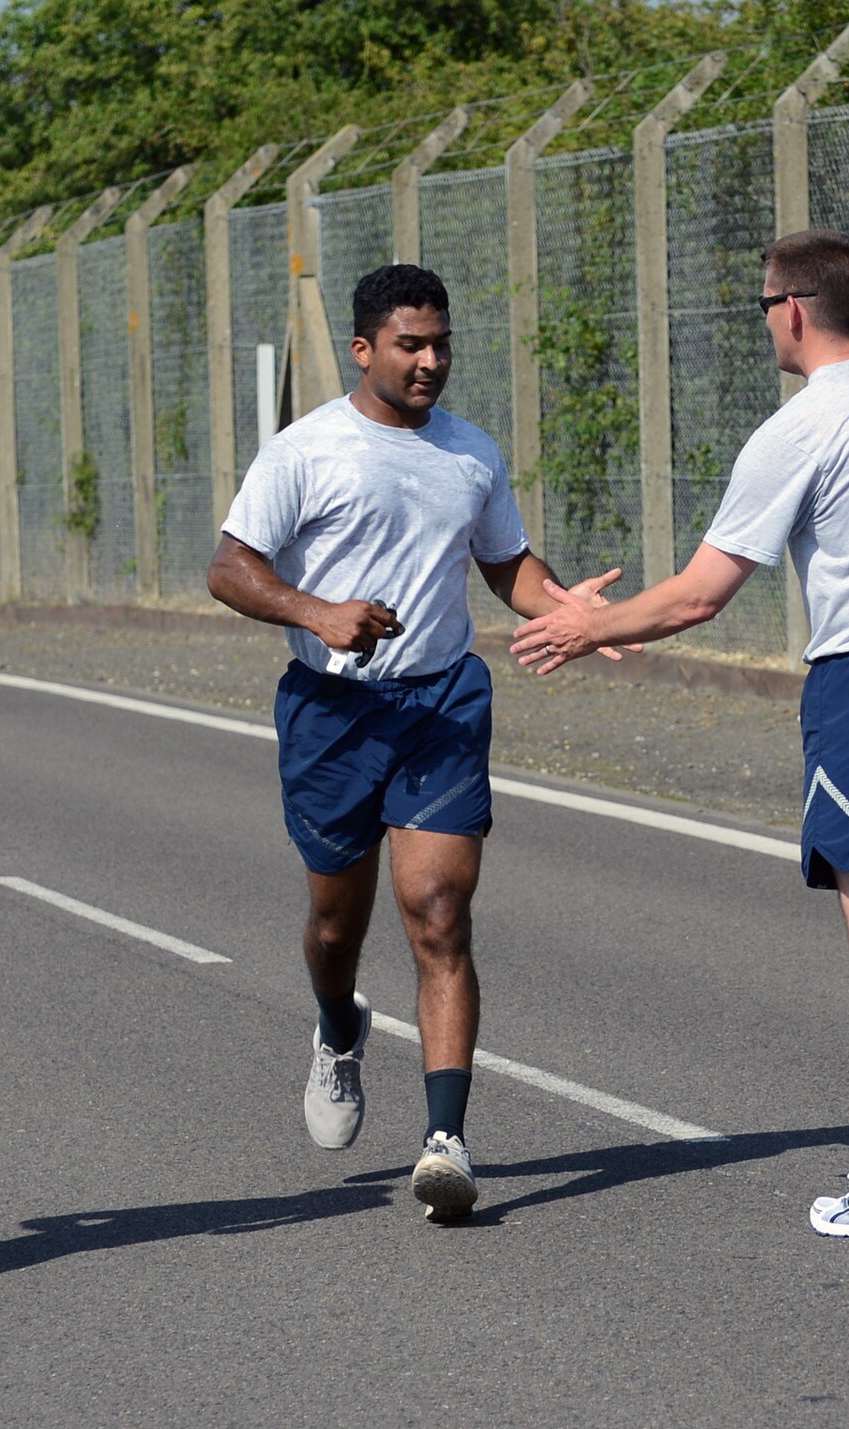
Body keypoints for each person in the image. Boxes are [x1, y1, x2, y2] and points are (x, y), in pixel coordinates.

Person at [511, 231, 849, 1241]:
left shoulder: (802, 426)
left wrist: (585, 623)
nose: (764, 319)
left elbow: (696, 596)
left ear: (796, 309)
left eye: (764, 302)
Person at [207, 264, 628, 1221]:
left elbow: (504, 561)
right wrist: (317, 612)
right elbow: (229, 567)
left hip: (440, 701)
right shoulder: (305, 451)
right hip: (331, 713)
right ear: (364, 350)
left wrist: (568, 609)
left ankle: (446, 1140)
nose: (432, 360)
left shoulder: (470, 453)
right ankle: (336, 1025)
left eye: (441, 342)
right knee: (334, 924)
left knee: (437, 911)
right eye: (411, 344)